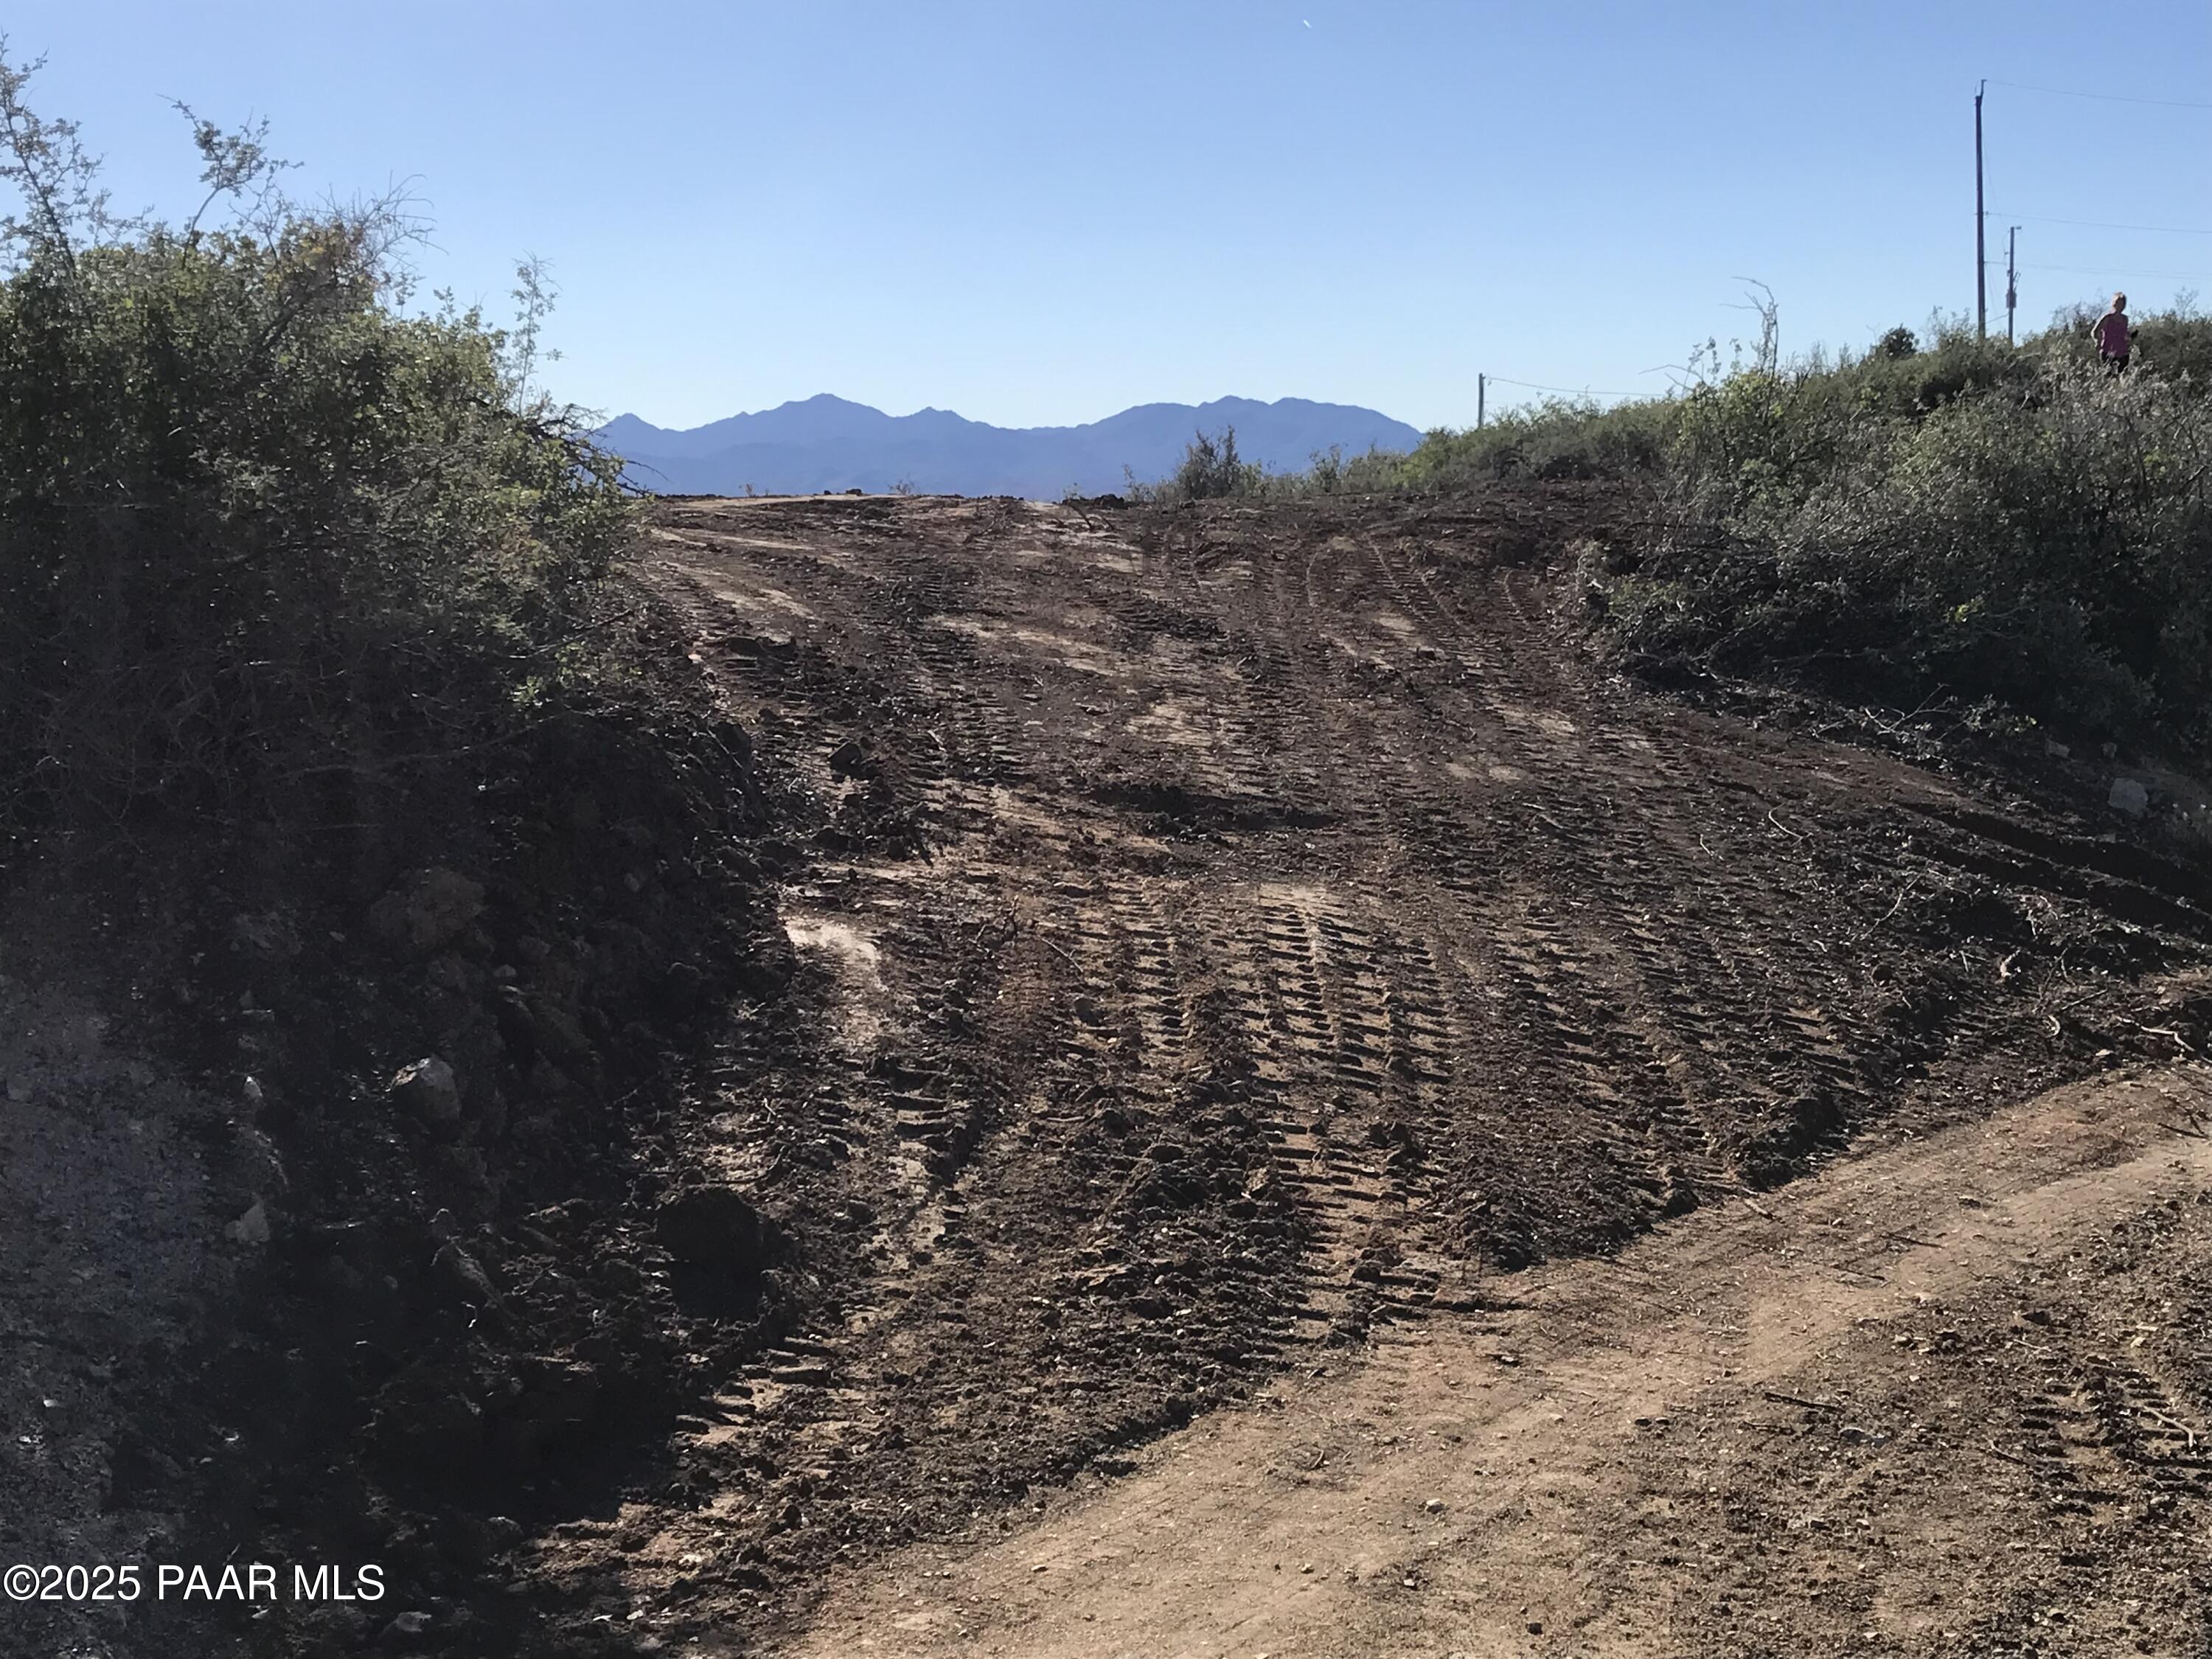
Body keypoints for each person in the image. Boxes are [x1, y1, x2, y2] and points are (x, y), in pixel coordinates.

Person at [2092, 292, 2133, 373]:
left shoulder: (2125, 319)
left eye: (2122, 303)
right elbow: (2095, 331)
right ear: (2114, 303)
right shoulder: (2107, 318)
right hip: (2108, 351)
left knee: (2122, 377)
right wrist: (2098, 342)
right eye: (2118, 303)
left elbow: (2123, 333)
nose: (2120, 306)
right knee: (2109, 376)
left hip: (2123, 352)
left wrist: (2128, 337)